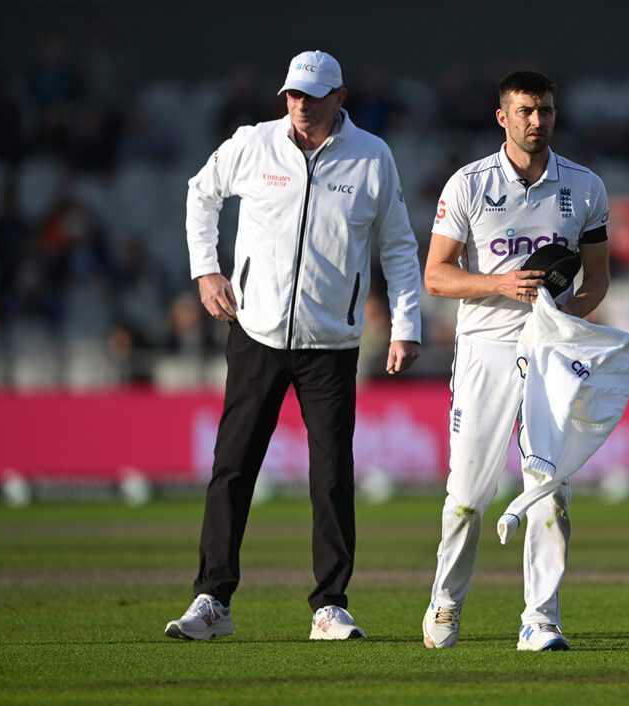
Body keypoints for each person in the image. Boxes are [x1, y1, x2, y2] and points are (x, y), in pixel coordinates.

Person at [165, 50, 422, 641]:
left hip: (332, 342)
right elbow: (201, 194)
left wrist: (405, 324)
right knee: (233, 467)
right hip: (256, 332)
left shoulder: (373, 157)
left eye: (313, 95)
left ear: (340, 97)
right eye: (294, 95)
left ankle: (329, 605)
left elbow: (398, 247)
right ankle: (212, 600)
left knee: (331, 476)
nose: (301, 105)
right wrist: (206, 270)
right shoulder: (253, 143)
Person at [422, 71, 610, 651]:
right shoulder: (469, 184)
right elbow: (436, 276)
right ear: (502, 117)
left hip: (548, 353)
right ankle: (447, 603)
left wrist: (562, 319)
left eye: (545, 110)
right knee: (468, 494)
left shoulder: (585, 186)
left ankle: (540, 618)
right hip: (485, 350)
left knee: (550, 490)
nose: (536, 121)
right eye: (525, 111)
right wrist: (498, 284)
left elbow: (597, 280)